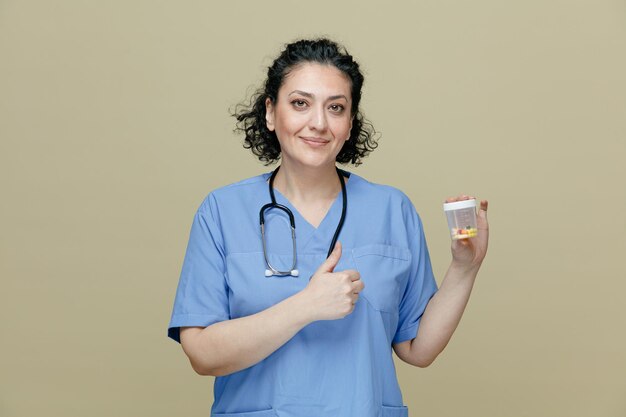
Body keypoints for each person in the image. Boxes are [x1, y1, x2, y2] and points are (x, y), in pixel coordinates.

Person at [167, 38, 489, 417]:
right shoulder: (221, 211)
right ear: (270, 112)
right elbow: (202, 355)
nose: (319, 123)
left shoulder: (392, 210)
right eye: (300, 103)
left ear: (350, 124)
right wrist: (306, 306)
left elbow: (417, 349)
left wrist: (465, 268)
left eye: (336, 108)